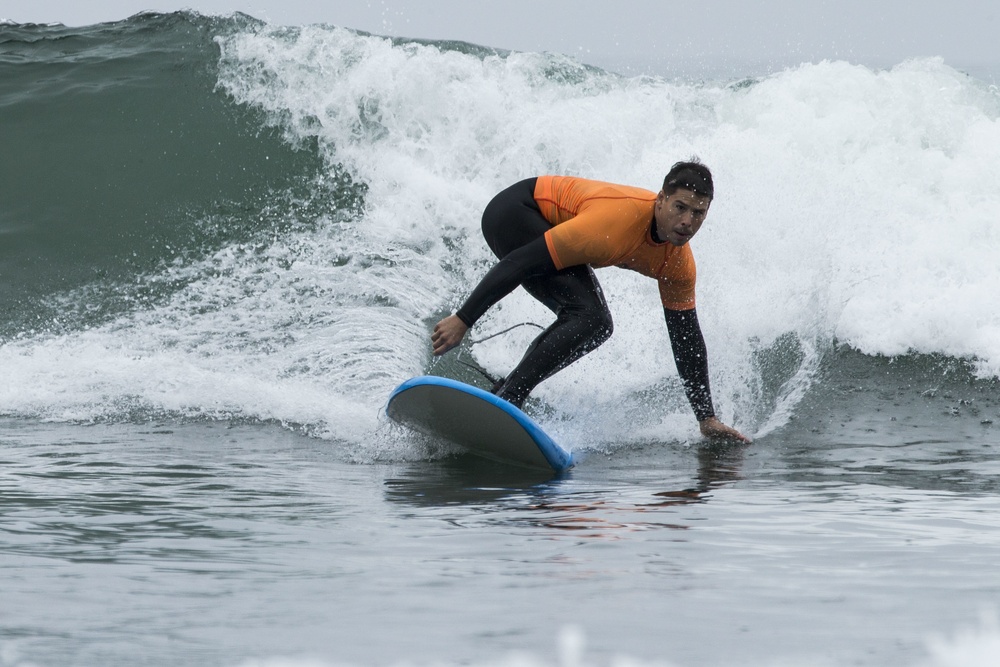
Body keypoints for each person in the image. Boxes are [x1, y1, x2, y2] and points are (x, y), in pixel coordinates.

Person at [431, 161, 749, 442]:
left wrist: (705, 417)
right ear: (661, 199)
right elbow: (519, 263)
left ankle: (504, 395)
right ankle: (508, 398)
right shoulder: (613, 224)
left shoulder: (678, 263)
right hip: (516, 212)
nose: (687, 221)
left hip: (551, 226)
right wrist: (464, 319)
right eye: (680, 207)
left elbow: (685, 337)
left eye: (698, 213)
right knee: (591, 318)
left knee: (596, 323)